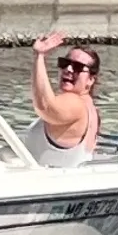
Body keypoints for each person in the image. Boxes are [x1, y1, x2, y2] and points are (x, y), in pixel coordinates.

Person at [24, 32, 102, 168]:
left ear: (91, 79)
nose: (68, 69)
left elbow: (46, 107)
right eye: (65, 63)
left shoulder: (76, 103)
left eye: (77, 67)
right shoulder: (90, 108)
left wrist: (39, 56)